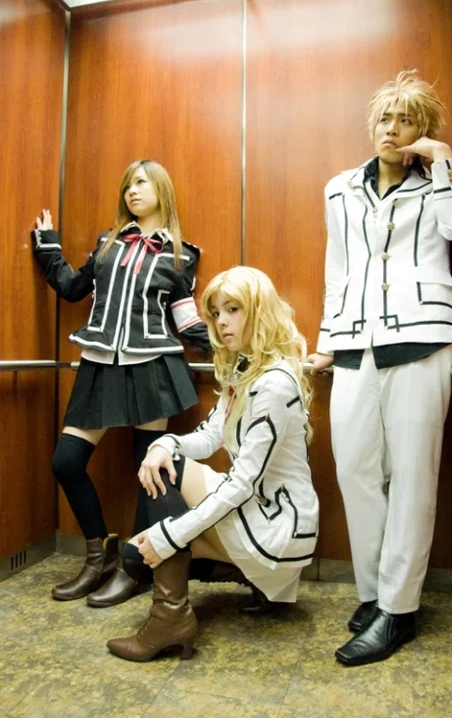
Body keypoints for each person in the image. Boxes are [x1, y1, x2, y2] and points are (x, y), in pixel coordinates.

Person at [308, 71, 452, 666]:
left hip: (425, 336)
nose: (392, 129)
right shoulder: (339, 190)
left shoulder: (436, 185)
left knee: (411, 475)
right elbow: (338, 271)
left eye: (406, 120)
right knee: (355, 467)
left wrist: (443, 157)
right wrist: (327, 341)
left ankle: (398, 610)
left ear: (419, 131)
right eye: (385, 118)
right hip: (357, 341)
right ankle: (375, 593)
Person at [105, 266, 319, 662]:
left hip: (279, 524)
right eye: (217, 312)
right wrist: (164, 442)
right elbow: (208, 438)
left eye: (233, 309)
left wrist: (169, 536)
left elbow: (241, 484)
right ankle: (253, 582)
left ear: (260, 311)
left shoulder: (273, 383)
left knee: (165, 492)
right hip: (262, 510)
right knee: (138, 553)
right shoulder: (245, 369)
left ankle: (169, 619)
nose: (221, 322)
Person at [31, 159, 211, 606]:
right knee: (66, 462)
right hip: (99, 363)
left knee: (149, 472)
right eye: (128, 184)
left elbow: (187, 320)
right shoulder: (107, 243)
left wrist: (240, 350)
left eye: (142, 182)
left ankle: (135, 567)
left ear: (161, 190)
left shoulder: (181, 254)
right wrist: (49, 246)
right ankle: (98, 556)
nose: (132, 190)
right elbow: (73, 288)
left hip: (153, 366)